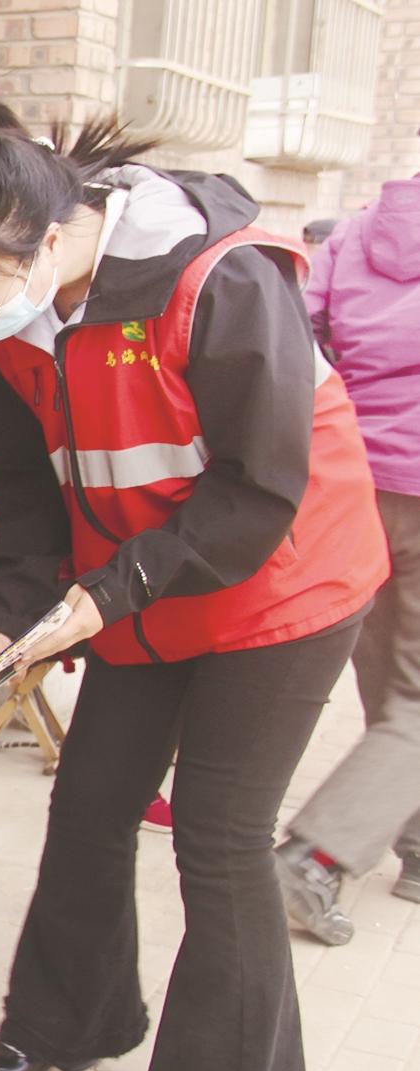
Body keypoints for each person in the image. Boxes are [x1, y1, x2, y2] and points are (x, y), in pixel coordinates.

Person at [0, 96, 386, 1071]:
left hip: (281, 583)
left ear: (47, 233)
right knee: (90, 801)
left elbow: (258, 491)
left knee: (219, 841)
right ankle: (65, 1023)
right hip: (144, 587)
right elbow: (27, 491)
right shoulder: (17, 320)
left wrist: (107, 594)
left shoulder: (217, 279)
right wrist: (8, 614)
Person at [274, 163, 420, 944]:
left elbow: (300, 334)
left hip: (359, 482)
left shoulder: (357, 234)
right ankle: (317, 855)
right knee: (415, 695)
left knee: (394, 684)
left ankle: (416, 850)